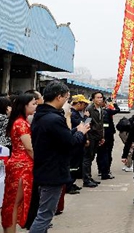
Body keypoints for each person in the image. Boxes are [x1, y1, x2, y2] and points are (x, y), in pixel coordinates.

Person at [29, 81, 89, 233]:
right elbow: (69, 143)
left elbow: (61, 137)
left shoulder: (42, 116)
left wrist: (76, 129)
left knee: (43, 213)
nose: (68, 103)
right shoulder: (54, 119)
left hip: (44, 168)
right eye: (67, 98)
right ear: (59, 97)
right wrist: (81, 133)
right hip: (52, 171)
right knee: (44, 216)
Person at [1, 94, 37, 233]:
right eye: (33, 104)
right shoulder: (21, 123)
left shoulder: (20, 121)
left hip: (18, 163)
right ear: (24, 105)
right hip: (21, 166)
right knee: (14, 203)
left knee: (13, 202)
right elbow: (29, 148)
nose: (35, 106)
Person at [82, 92, 105, 187]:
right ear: (93, 99)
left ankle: (89, 177)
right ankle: (86, 180)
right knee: (87, 158)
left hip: (97, 137)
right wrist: (86, 138)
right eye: (98, 98)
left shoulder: (101, 109)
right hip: (91, 136)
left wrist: (102, 137)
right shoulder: (89, 109)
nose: (100, 99)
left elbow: (101, 124)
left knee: (91, 157)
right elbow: (86, 124)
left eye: (101, 97)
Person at [68, 95, 89, 193]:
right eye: (84, 104)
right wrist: (86, 117)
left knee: (76, 165)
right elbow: (82, 125)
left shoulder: (77, 113)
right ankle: (69, 185)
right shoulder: (72, 114)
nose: (85, 107)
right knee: (72, 165)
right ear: (78, 103)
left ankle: (72, 183)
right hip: (74, 142)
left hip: (79, 141)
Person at [96, 97, 119, 180]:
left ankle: (100, 170)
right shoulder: (107, 111)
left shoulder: (92, 110)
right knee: (106, 154)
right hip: (106, 136)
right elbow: (117, 110)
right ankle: (105, 172)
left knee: (100, 154)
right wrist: (114, 103)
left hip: (97, 135)